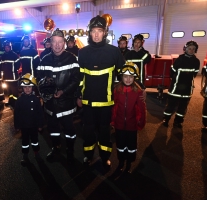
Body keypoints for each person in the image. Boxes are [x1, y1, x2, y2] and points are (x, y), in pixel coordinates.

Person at [77, 15, 125, 170]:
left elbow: (125, 75)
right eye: (93, 31)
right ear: (89, 33)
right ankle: (88, 156)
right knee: (88, 131)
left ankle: (105, 158)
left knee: (105, 133)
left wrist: (139, 88)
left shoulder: (114, 52)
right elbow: (80, 77)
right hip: (88, 102)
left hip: (106, 102)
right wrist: (79, 96)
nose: (96, 34)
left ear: (105, 32)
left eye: (100, 30)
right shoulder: (82, 52)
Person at [37, 28, 80, 163]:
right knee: (53, 129)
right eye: (54, 42)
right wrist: (44, 91)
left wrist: (63, 91)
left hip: (66, 102)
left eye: (60, 42)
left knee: (69, 130)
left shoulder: (72, 58)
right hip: (50, 104)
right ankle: (56, 148)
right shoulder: (44, 59)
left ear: (64, 43)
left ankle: (70, 152)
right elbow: (39, 78)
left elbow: (76, 79)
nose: (57, 45)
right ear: (50, 42)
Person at [110, 62, 146, 173]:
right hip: (119, 124)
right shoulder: (116, 90)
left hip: (132, 125)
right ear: (122, 77)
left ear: (134, 78)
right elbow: (113, 106)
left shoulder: (138, 91)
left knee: (131, 146)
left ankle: (129, 163)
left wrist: (141, 121)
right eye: (125, 76)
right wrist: (112, 120)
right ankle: (121, 162)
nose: (128, 79)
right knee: (120, 145)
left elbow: (141, 109)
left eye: (131, 77)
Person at [162, 41, 200, 128]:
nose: (191, 50)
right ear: (185, 49)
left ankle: (178, 122)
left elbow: (194, 74)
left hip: (187, 89)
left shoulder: (196, 61)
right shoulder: (179, 60)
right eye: (189, 48)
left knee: (182, 108)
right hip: (175, 89)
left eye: (193, 49)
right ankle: (166, 119)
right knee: (170, 106)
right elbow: (172, 72)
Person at [14, 73, 44, 165]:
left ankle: (36, 152)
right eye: (25, 87)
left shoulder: (36, 99)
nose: (27, 89)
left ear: (33, 88)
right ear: (22, 88)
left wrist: (40, 125)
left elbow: (39, 113)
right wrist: (17, 126)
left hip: (34, 126)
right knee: (25, 141)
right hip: (24, 126)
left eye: (29, 87)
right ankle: (25, 154)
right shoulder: (19, 100)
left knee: (35, 140)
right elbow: (17, 114)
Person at [1, 40, 20, 107]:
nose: (7, 48)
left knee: (14, 91)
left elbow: (18, 64)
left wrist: (14, 70)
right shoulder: (3, 56)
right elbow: (2, 65)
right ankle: (11, 101)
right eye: (5, 47)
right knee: (9, 91)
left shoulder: (14, 55)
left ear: (10, 47)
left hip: (13, 77)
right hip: (6, 77)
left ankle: (16, 102)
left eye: (8, 47)